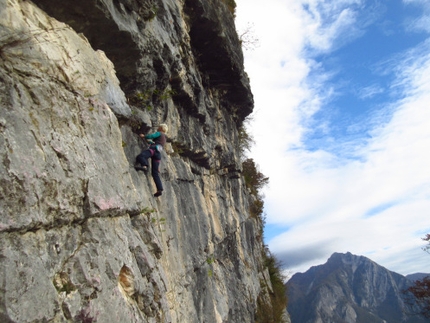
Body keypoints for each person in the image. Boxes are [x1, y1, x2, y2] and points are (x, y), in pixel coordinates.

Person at [135, 124, 168, 197]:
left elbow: (152, 136)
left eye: (159, 127)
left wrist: (144, 136)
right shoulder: (164, 138)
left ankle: (144, 166)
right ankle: (159, 189)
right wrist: (149, 142)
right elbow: (155, 143)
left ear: (161, 128)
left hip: (153, 150)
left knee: (140, 156)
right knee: (155, 173)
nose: (158, 128)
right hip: (158, 155)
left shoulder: (159, 133)